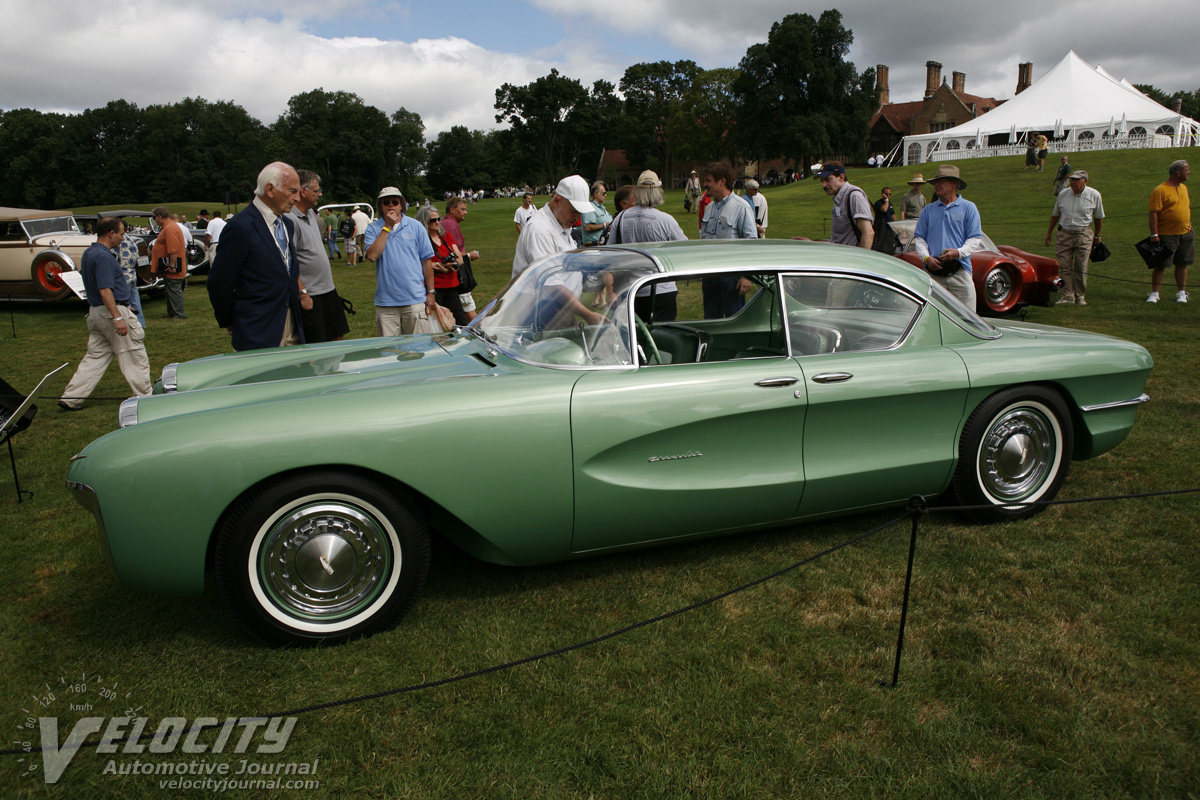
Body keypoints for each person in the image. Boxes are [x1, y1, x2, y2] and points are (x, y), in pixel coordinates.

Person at [208, 162, 306, 350]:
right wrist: (231, 320)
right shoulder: (241, 227)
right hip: (258, 332)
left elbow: (286, 272)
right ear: (270, 189)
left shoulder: (288, 225)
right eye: (292, 191)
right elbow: (219, 283)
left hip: (292, 325)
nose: (297, 197)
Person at [58, 217, 152, 410]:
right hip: (110, 312)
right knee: (133, 354)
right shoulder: (103, 257)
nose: (122, 237)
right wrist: (117, 316)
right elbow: (105, 289)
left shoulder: (89, 253)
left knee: (95, 357)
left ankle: (71, 397)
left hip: (96, 313)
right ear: (111, 234)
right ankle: (146, 398)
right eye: (121, 233)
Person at [608, 170, 687, 322]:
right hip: (662, 290)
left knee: (633, 339)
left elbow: (611, 253)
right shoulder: (666, 220)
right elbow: (684, 250)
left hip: (630, 290)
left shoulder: (621, 218)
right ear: (657, 192)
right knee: (661, 339)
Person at [365, 187, 437, 335]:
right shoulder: (373, 229)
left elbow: (426, 261)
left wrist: (431, 292)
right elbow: (372, 256)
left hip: (414, 298)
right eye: (386, 202)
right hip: (386, 302)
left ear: (401, 205)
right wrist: (387, 227)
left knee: (418, 349)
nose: (391, 205)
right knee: (390, 352)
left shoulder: (416, 226)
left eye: (395, 202)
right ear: (380, 206)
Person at [289, 170, 350, 342]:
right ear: (303, 191)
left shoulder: (310, 213)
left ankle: (336, 370)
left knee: (337, 335)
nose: (320, 194)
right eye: (316, 191)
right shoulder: (289, 219)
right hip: (310, 295)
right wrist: (303, 293)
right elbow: (289, 262)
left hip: (328, 290)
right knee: (316, 345)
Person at [912, 164, 982, 309]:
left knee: (968, 319)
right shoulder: (928, 210)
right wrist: (927, 258)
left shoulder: (969, 208)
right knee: (931, 317)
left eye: (941, 181)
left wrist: (958, 253)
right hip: (933, 273)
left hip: (960, 272)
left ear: (954, 184)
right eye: (936, 182)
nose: (937, 185)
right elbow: (920, 239)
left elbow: (974, 238)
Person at [699, 162, 756, 318]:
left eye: (708, 180)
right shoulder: (709, 208)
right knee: (710, 322)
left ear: (721, 182)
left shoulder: (741, 207)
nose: (705, 184)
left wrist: (746, 276)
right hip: (710, 276)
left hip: (732, 278)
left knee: (734, 323)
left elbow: (751, 242)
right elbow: (704, 238)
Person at [512, 175, 594, 279]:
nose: (577, 218)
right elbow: (550, 284)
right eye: (573, 211)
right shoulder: (540, 230)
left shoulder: (561, 223)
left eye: (580, 213)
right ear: (556, 201)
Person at [1045, 170, 1104, 306]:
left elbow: (1099, 217)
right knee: (1064, 266)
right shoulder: (1063, 194)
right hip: (1064, 233)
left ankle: (1080, 296)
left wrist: (1098, 236)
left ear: (1085, 181)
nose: (1073, 183)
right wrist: (1049, 233)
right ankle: (1067, 296)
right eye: (1072, 180)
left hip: (1083, 233)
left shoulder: (1094, 195)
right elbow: (1055, 215)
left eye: (1077, 180)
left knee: (1081, 266)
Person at [1147, 159, 1192, 303]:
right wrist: (1154, 234)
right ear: (1178, 173)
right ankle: (1154, 293)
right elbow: (1153, 213)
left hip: (1185, 233)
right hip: (1167, 234)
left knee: (1182, 263)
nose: (1189, 172)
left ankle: (1181, 293)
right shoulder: (1160, 190)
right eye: (1186, 170)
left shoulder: (1183, 188)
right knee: (1161, 265)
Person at [416, 205, 469, 326]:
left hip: (451, 286)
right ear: (424, 221)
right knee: (437, 324)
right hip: (434, 288)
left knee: (461, 322)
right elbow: (416, 262)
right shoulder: (420, 240)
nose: (437, 222)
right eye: (432, 220)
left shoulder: (446, 236)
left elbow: (459, 258)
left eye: (438, 219)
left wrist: (451, 265)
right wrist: (436, 265)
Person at [441, 196, 481, 320]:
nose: (466, 212)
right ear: (452, 209)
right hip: (457, 275)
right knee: (469, 311)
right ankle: (483, 334)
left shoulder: (447, 223)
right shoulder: (450, 225)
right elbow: (452, 253)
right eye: (463, 209)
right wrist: (469, 255)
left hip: (454, 277)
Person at [817, 162, 874, 249]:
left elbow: (868, 233)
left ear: (841, 177)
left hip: (851, 259)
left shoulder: (854, 196)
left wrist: (862, 261)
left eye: (828, 180)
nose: (824, 185)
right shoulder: (839, 198)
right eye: (822, 181)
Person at [150, 205, 187, 319]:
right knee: (170, 290)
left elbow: (173, 249)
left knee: (174, 290)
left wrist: (172, 265)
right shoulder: (169, 227)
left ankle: (179, 314)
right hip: (167, 265)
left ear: (159, 217)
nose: (154, 220)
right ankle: (172, 313)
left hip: (171, 266)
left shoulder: (169, 228)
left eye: (154, 217)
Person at [115, 230, 146, 326]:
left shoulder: (118, 242)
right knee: (135, 300)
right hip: (132, 273)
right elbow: (137, 256)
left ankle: (130, 323)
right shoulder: (132, 240)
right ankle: (140, 323)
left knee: (124, 303)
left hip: (123, 274)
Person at [581, 182, 612, 246]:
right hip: (593, 247)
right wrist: (605, 225)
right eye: (604, 193)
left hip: (604, 246)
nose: (605, 195)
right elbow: (587, 227)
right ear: (596, 194)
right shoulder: (589, 207)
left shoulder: (602, 209)